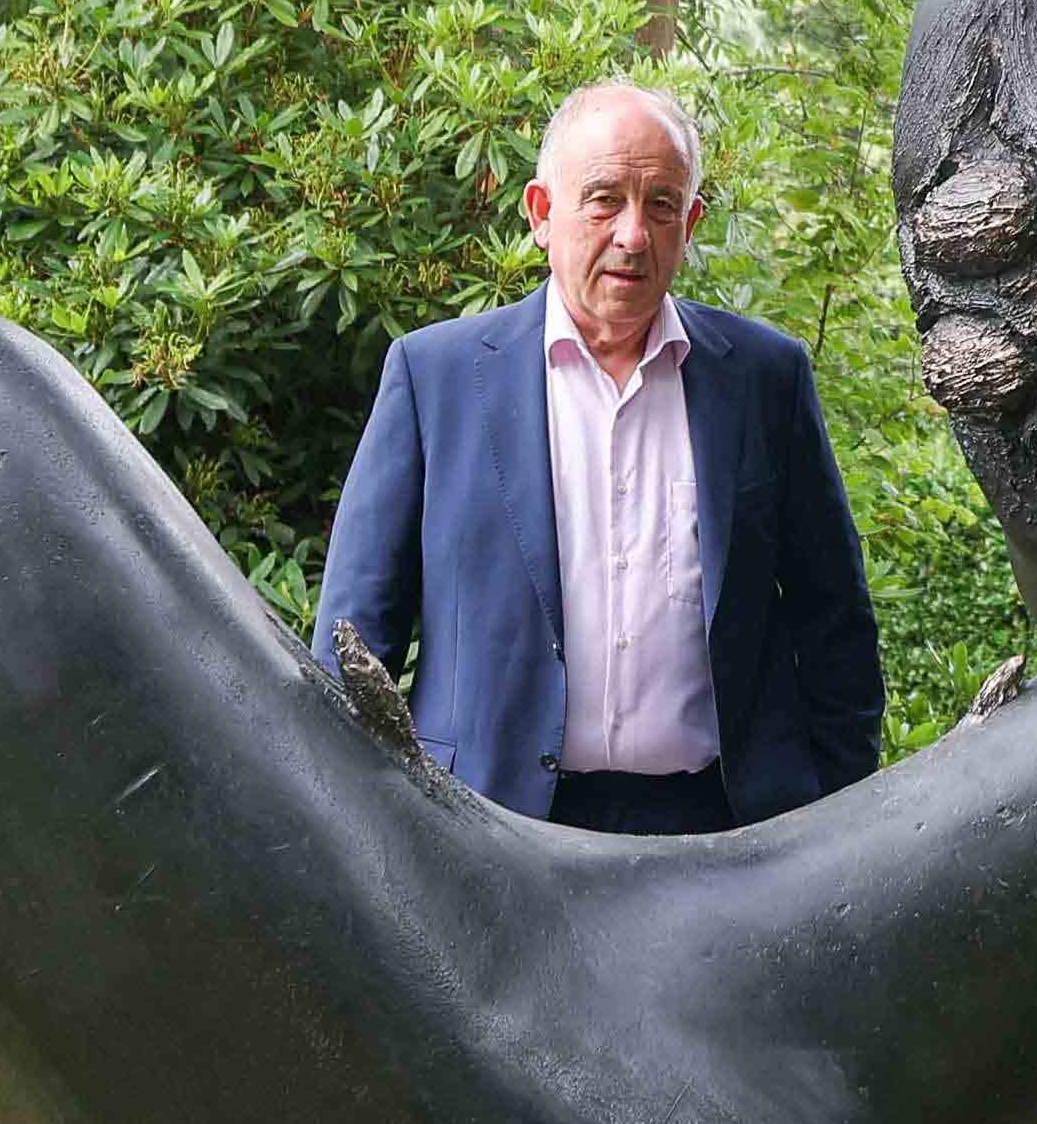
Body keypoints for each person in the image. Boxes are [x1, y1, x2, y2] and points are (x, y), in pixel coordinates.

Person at [313, 79, 888, 839]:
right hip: (483, 829)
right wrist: (364, 822)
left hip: (724, 833)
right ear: (541, 213)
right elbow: (355, 638)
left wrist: (832, 810)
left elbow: (834, 618)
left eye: (659, 203)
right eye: (603, 198)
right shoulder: (435, 377)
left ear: (691, 221)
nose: (632, 233)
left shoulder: (761, 379)